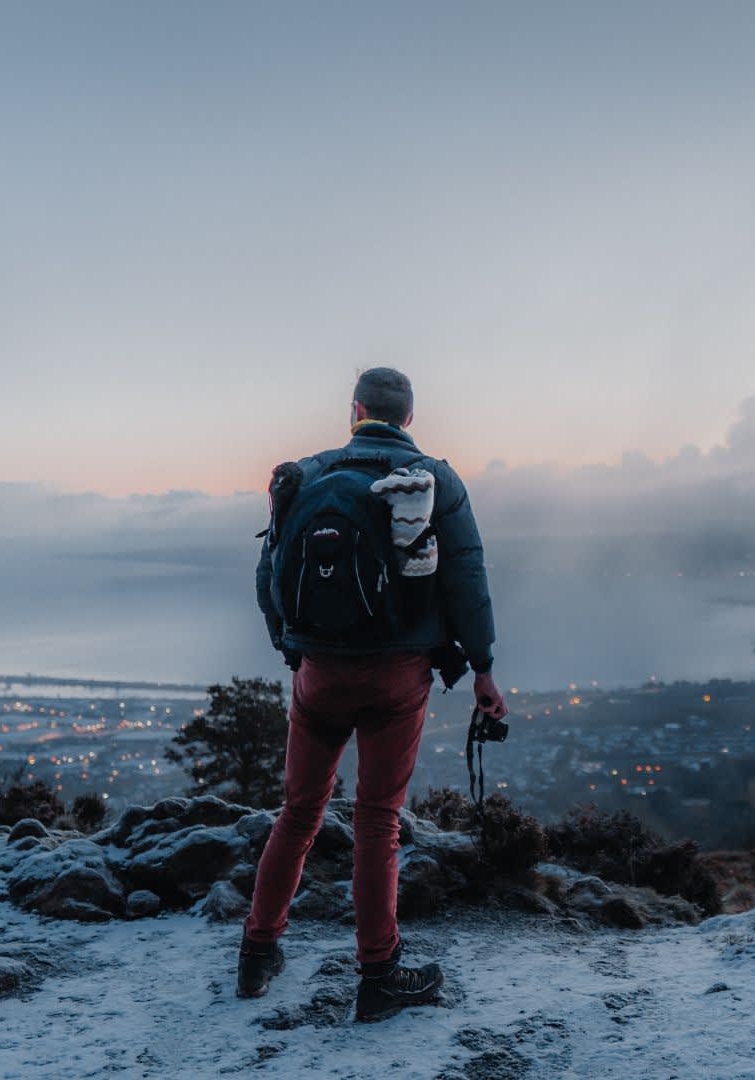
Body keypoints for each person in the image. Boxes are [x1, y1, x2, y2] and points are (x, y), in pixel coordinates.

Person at [238, 367, 507, 1022]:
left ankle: (257, 953)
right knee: (377, 818)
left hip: (318, 671)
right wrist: (482, 667)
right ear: (408, 418)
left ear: (354, 411)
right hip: (397, 672)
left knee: (298, 811)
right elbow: (466, 579)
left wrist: (290, 647)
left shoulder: (304, 476)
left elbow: (270, 571)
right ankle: (379, 974)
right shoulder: (436, 479)